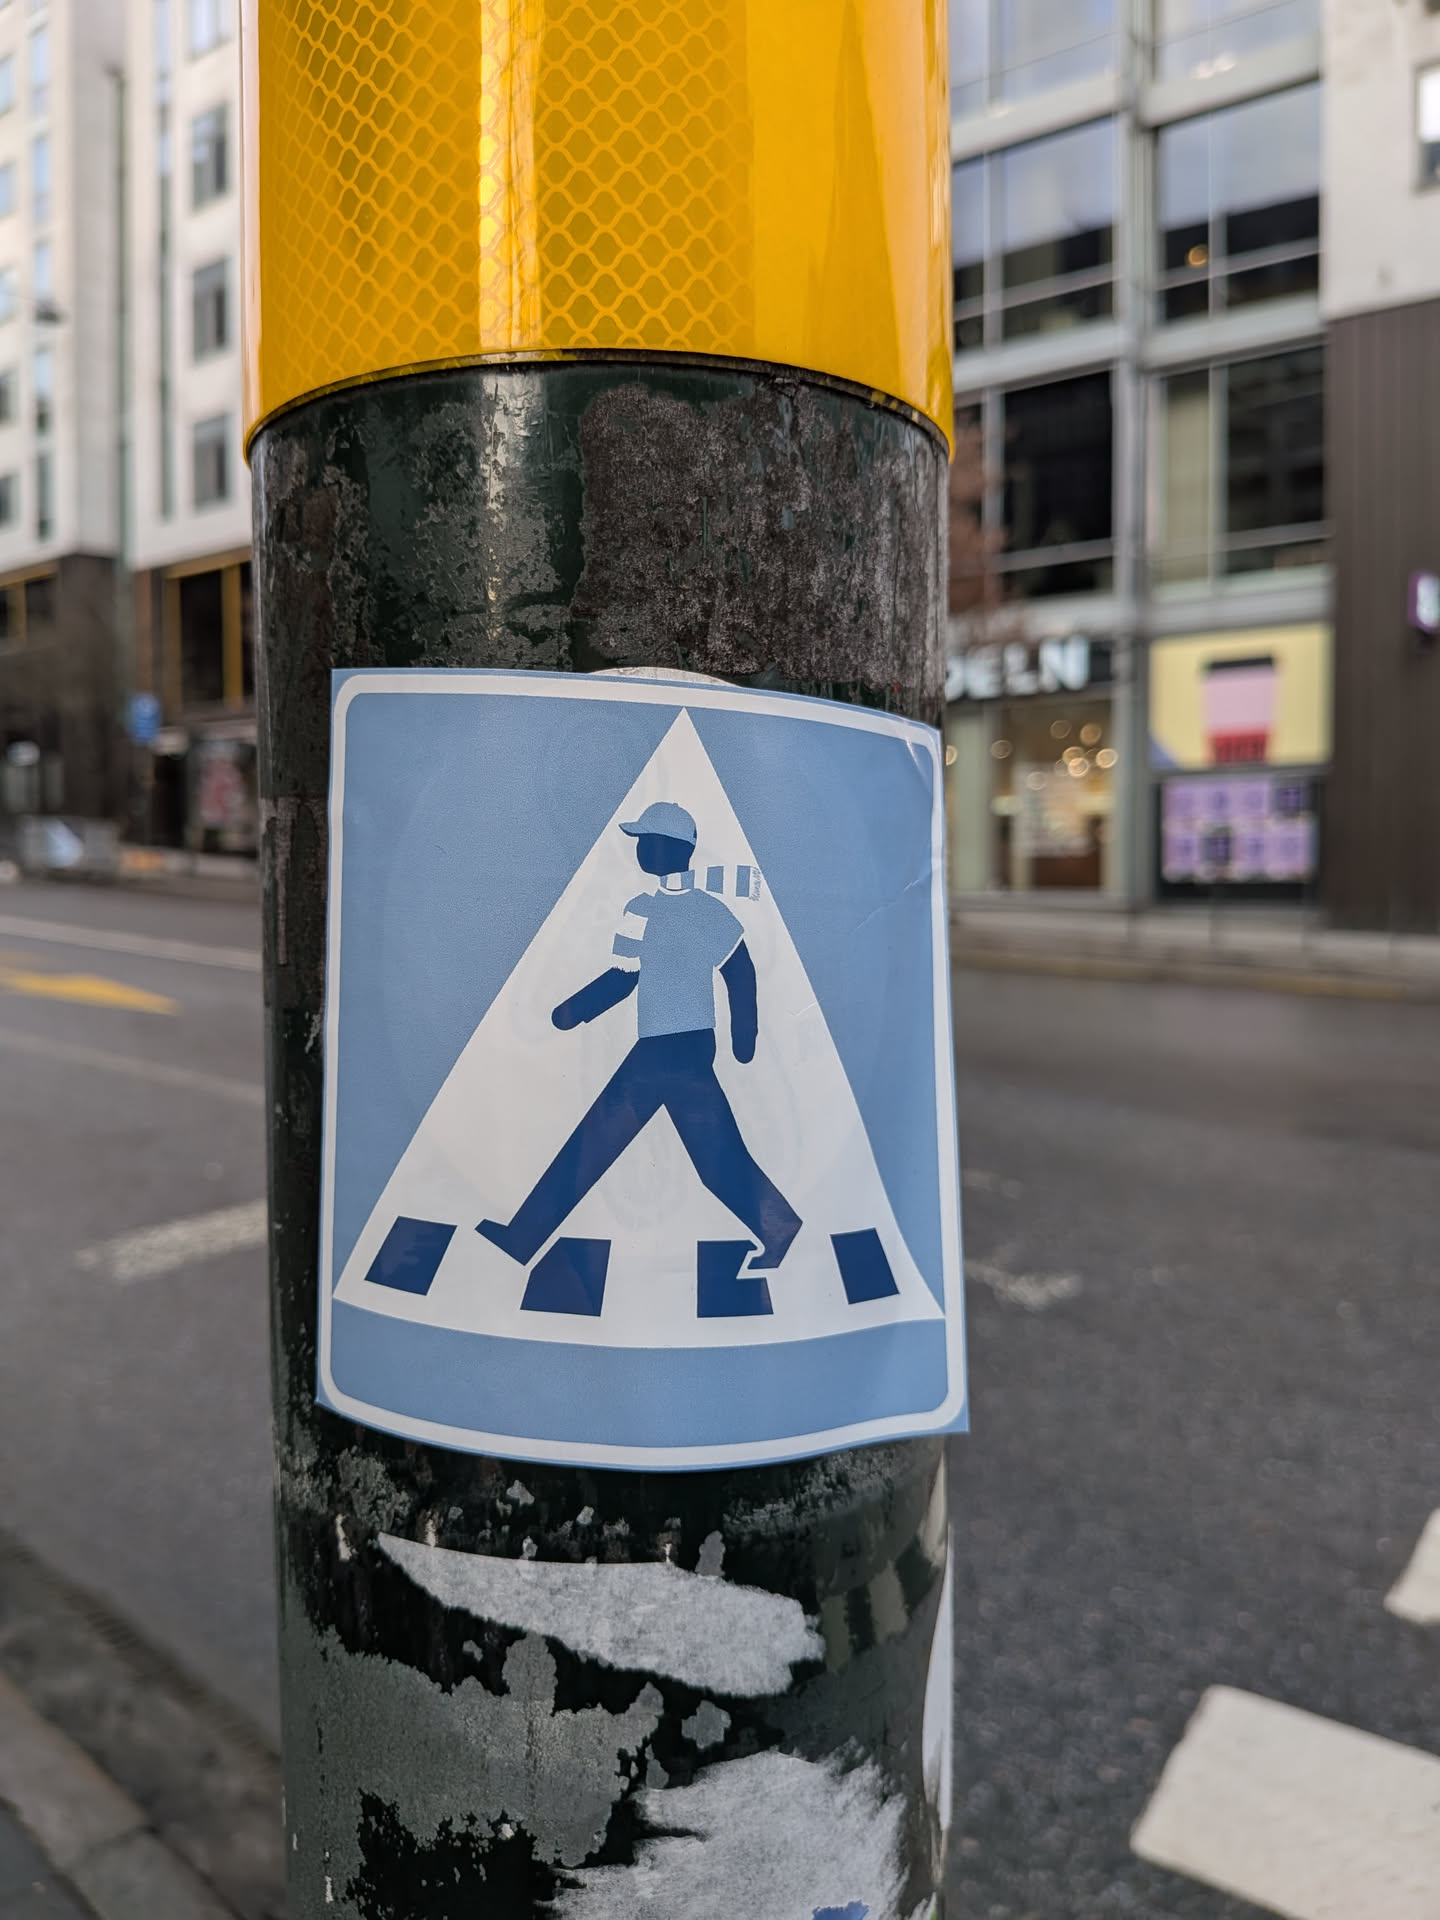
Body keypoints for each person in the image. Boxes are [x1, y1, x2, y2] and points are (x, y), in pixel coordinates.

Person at [478, 801, 801, 1272]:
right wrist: (575, 1010)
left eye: (647, 842)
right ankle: (778, 1226)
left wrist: (744, 1040)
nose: (640, 851)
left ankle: (523, 1236)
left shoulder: (709, 910)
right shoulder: (639, 909)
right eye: (639, 843)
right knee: (689, 1156)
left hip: (686, 1049)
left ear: (673, 848)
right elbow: (623, 976)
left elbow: (740, 970)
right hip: (657, 1047)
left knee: (617, 1146)